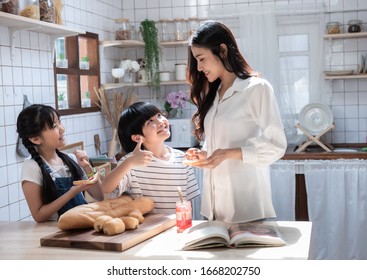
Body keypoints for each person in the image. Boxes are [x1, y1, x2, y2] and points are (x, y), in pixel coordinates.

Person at [184, 21, 287, 224]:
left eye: (202, 58)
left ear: (222, 50)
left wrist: (228, 153)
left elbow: (276, 145)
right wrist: (206, 153)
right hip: (212, 207)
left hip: (245, 207)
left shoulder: (256, 89)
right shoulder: (214, 93)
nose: (199, 67)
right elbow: (220, 139)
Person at [101, 102, 200, 214]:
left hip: (178, 228)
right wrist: (128, 162)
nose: (160, 121)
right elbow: (105, 188)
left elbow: (190, 202)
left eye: (159, 115)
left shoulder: (182, 158)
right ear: (137, 137)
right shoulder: (132, 162)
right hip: (150, 229)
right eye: (150, 121)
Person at [17, 104, 103, 222]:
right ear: (36, 139)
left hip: (83, 225)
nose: (62, 129)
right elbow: (38, 216)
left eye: (59, 122)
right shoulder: (32, 167)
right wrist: (71, 193)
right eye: (54, 126)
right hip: (57, 232)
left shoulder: (71, 159)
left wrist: (88, 168)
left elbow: (99, 196)